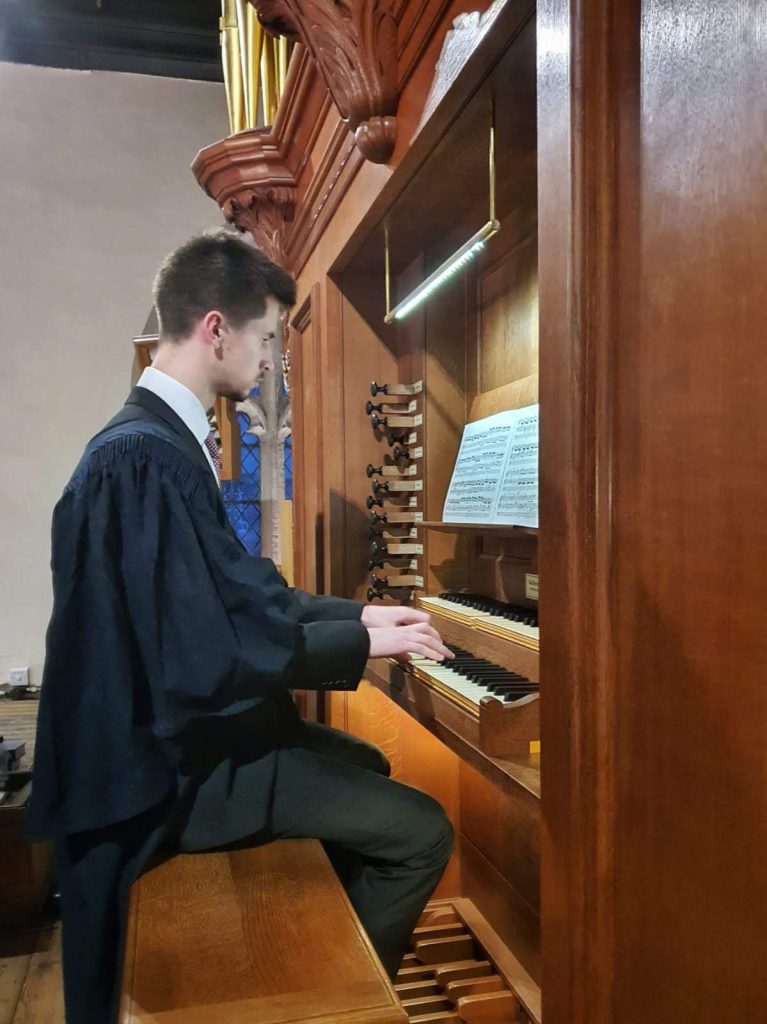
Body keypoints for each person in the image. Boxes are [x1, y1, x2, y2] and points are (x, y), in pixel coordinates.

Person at [27, 230, 455, 1024]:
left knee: (365, 760)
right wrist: (361, 646)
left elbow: (241, 597)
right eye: (266, 339)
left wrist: (357, 614)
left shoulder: (162, 444)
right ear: (216, 327)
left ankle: (319, 966)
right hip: (157, 772)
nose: (272, 361)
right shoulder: (143, 459)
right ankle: (334, 1006)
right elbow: (204, 649)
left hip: (178, 736)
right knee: (423, 832)